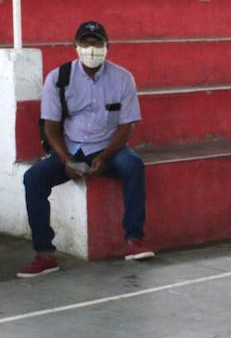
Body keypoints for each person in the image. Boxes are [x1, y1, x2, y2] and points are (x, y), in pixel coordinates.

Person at [18, 21, 153, 278]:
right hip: (71, 149)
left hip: (108, 148)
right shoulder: (58, 79)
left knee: (133, 165)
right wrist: (67, 160)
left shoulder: (123, 78)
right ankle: (44, 254)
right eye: (86, 44)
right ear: (76, 47)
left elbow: (127, 127)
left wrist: (106, 155)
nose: (91, 50)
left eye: (97, 44)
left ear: (107, 47)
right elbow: (51, 128)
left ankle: (135, 239)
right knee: (33, 178)